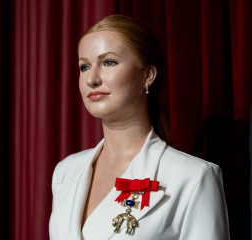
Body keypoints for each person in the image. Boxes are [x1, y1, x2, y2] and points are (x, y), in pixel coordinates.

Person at [49, 14, 229, 240]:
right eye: (84, 66)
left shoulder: (193, 177)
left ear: (148, 75)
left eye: (109, 62)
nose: (91, 79)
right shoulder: (66, 172)